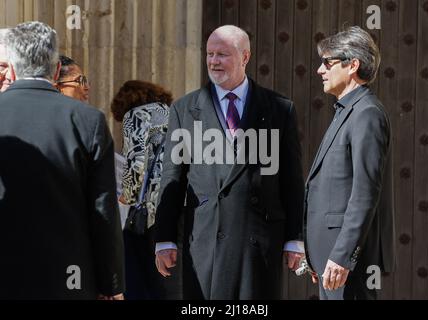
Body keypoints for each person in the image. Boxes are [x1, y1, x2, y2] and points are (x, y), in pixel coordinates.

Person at [154, 25, 304, 300]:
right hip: (206, 239)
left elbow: (292, 179)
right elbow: (172, 176)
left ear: (245, 57)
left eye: (222, 54)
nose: (213, 61)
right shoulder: (185, 109)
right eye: (210, 54)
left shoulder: (279, 108)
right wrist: (163, 238)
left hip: (257, 240)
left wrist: (295, 237)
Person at [0, 21, 125, 300]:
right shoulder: (87, 119)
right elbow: (103, 209)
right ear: (56, 69)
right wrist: (111, 285)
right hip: (69, 275)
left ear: (12, 68)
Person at [303, 26, 395, 300]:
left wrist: (342, 256)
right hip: (330, 259)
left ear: (352, 64)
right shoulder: (348, 110)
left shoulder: (367, 114)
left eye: (327, 62)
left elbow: (365, 194)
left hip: (347, 264)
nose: (320, 70)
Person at [111, 80, 172, 300]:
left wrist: (125, 196)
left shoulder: (137, 115)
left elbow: (135, 162)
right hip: (177, 208)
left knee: (138, 275)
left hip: (151, 212)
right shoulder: (174, 113)